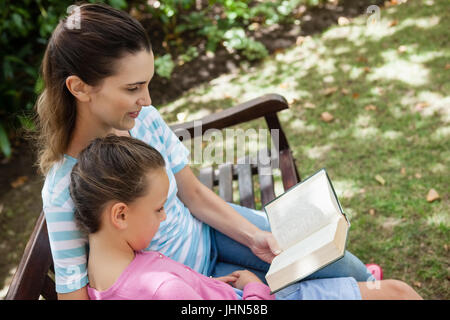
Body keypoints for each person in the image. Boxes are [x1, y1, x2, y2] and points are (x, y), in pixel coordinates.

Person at [35, 2, 374, 300]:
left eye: (148, 83)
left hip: (211, 234)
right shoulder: (61, 190)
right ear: (79, 88)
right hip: (191, 286)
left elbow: (193, 194)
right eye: (133, 88)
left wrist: (254, 237)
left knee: (350, 270)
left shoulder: (144, 120)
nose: (148, 100)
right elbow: (74, 292)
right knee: (346, 288)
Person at [69, 135, 422, 300]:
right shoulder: (162, 286)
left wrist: (207, 288)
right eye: (160, 208)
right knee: (397, 292)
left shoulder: (102, 281)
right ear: (120, 214)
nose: (164, 218)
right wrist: (254, 286)